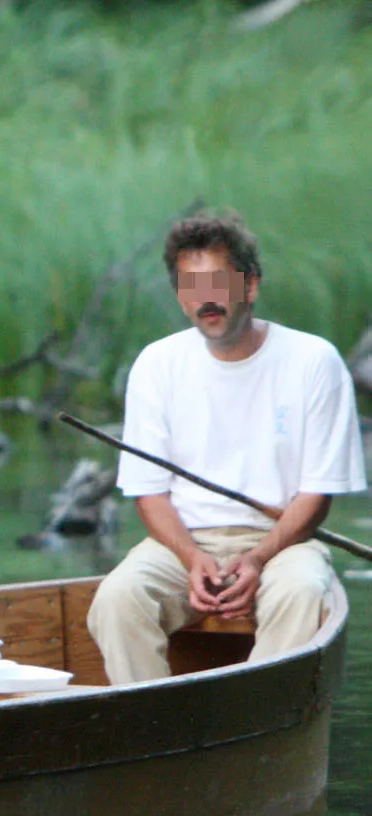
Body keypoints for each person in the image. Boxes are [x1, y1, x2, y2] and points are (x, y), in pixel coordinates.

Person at [87, 211, 366, 683]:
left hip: (284, 542)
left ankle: (257, 722)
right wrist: (193, 559)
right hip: (182, 544)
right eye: (191, 287)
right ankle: (155, 733)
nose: (205, 300)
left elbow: (318, 495)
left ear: (250, 286)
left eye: (218, 282)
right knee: (117, 598)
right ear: (179, 297)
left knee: (301, 592)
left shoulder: (313, 360)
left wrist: (257, 558)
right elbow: (150, 494)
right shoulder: (157, 365)